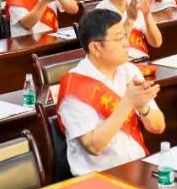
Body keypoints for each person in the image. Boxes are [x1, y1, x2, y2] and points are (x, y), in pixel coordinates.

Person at [57, 9, 166, 175]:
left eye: (125, 36)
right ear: (95, 47)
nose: (127, 43)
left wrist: (143, 107)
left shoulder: (129, 71)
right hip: (99, 178)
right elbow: (93, 146)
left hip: (137, 167)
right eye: (119, 38)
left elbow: (159, 127)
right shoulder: (75, 87)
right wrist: (128, 103)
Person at [96, 0, 163, 59]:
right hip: (117, 64)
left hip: (141, 62)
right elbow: (112, 50)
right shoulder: (100, 12)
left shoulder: (136, 4)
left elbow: (156, 43)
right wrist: (130, 19)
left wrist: (147, 15)